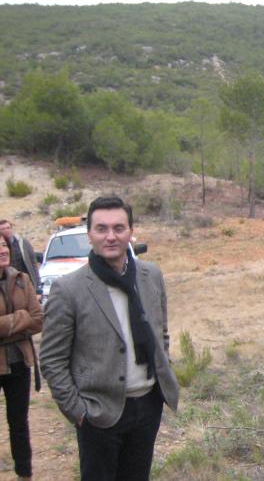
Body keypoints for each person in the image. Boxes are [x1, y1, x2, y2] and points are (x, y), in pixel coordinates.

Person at [40, 196, 180, 480]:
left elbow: (160, 332)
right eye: (101, 229)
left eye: (119, 228)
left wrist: (161, 376)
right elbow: (52, 360)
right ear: (89, 234)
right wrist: (79, 412)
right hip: (99, 413)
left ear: (131, 231)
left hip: (148, 404)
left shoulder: (151, 275)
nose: (111, 236)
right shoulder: (69, 289)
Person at [0, 233, 44, 481]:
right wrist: (19, 320)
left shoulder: (21, 279)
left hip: (19, 361)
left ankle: (24, 474)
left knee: (19, 423)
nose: (2, 250)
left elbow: (37, 320)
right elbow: (27, 319)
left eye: (4, 245)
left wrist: (6, 326)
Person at [0, 220, 40, 291]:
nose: (6, 230)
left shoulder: (23, 242)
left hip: (27, 281)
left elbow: (33, 263)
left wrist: (37, 285)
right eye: (3, 229)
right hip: (10, 283)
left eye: (8, 228)